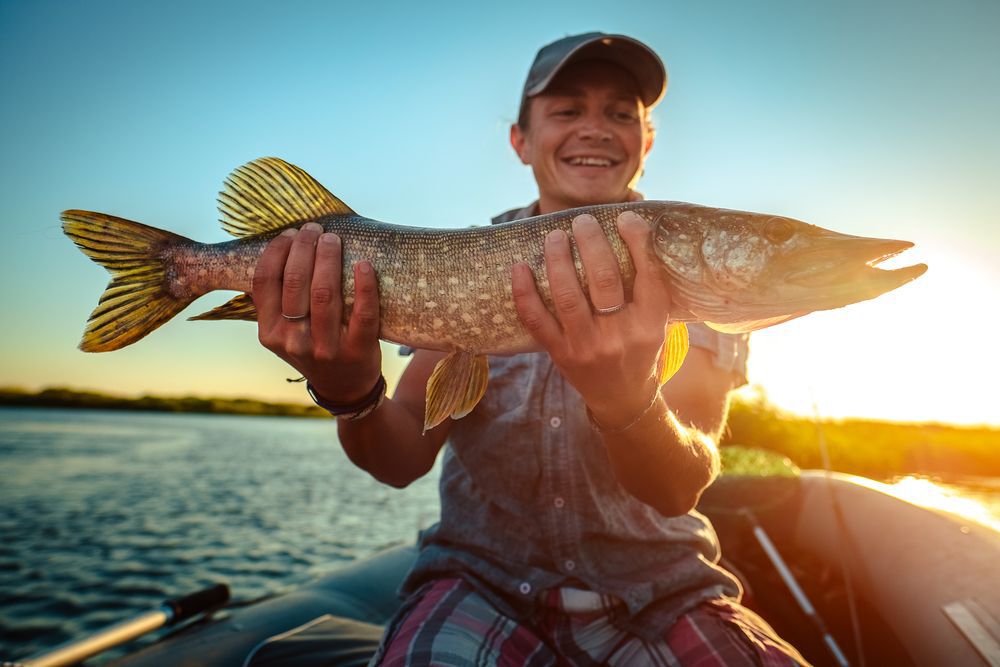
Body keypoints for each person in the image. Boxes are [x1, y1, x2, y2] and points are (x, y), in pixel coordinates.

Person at [253, 32, 809, 666]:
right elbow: (400, 455)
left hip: (660, 591)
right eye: (567, 110)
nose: (595, 129)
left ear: (647, 143)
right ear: (520, 140)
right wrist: (350, 393)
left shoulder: (693, 281)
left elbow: (677, 486)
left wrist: (625, 402)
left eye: (621, 113)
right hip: (479, 584)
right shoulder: (461, 257)